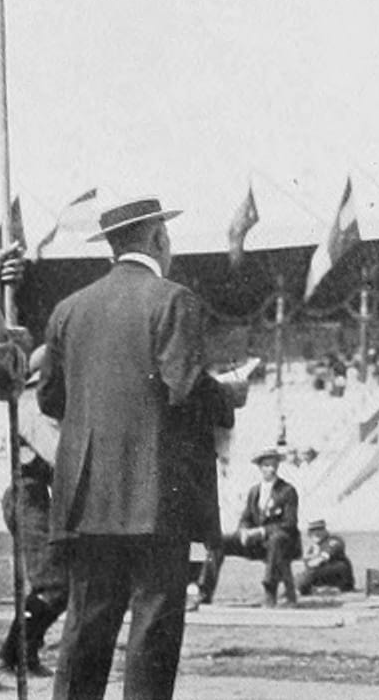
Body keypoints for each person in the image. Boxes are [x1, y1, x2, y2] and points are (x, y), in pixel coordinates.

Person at [37, 196, 247, 700]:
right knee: (152, 632)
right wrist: (228, 392)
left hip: (88, 500)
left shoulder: (69, 309)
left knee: (85, 630)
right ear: (159, 239)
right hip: (155, 495)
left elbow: (49, 399)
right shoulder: (172, 299)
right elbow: (185, 388)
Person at [0, 346, 68, 680]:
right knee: (53, 585)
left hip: (34, 497)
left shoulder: (31, 409)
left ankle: (22, 653)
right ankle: (11, 656)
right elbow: (57, 456)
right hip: (26, 497)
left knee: (55, 584)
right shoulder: (29, 409)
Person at [195, 447, 302, 608]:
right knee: (219, 541)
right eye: (266, 465)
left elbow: (289, 524)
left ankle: (270, 589)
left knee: (277, 539)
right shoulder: (255, 491)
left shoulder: (287, 491)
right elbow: (246, 518)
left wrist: (261, 531)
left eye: (274, 465)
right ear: (259, 467)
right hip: (256, 544)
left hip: (283, 544)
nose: (271, 469)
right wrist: (244, 531)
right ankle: (204, 591)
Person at [295, 519, 355, 596]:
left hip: (341, 581)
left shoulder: (334, 540)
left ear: (325, 530)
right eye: (312, 530)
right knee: (298, 577)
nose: (316, 533)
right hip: (322, 582)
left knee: (312, 573)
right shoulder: (313, 549)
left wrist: (318, 559)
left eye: (319, 529)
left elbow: (328, 553)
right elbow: (307, 564)